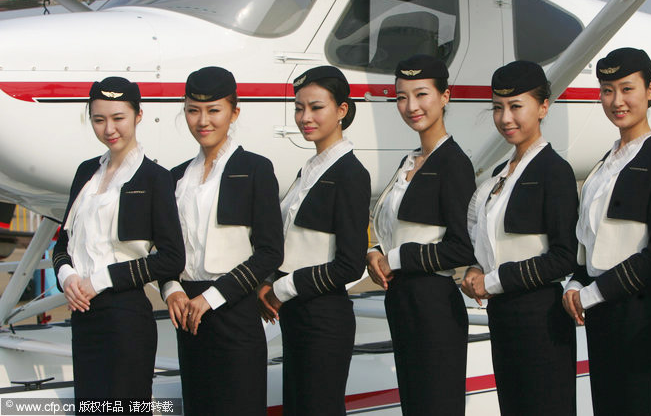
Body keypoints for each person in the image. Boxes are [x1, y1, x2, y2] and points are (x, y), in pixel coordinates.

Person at [561, 48, 651, 415]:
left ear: (650, 91)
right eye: (607, 90)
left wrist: (593, 292)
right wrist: (575, 282)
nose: (617, 101)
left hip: (639, 313)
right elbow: (591, 240)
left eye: (627, 89)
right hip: (600, 312)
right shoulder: (605, 164)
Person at [51, 77, 184, 406]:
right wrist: (67, 277)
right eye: (99, 119)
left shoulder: (154, 177)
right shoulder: (86, 173)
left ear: (138, 115)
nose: (109, 129)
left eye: (118, 118)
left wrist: (100, 280)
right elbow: (63, 243)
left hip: (125, 316)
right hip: (84, 316)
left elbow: (171, 257)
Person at [160, 66, 284, 415]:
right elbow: (165, 248)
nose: (203, 121)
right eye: (193, 110)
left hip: (234, 309)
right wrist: (171, 289)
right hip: (188, 313)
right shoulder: (175, 178)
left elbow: (270, 252)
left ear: (234, 112)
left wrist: (211, 298)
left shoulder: (255, 169)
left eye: (214, 110)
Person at [461, 61, 578, 415]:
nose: (505, 118)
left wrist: (493, 280)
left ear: (543, 107)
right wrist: (475, 268)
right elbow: (490, 240)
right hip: (503, 314)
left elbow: (564, 256)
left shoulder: (554, 171)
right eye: (498, 108)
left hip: (541, 316)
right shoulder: (500, 175)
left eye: (516, 106)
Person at [367, 55, 476, 415]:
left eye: (421, 94)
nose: (411, 106)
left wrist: (396, 259)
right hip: (403, 303)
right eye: (402, 97)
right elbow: (393, 230)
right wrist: (374, 252)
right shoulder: (409, 162)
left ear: (445, 97)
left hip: (434, 306)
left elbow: (463, 246)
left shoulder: (454, 163)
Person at [259, 65, 369, 416]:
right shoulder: (310, 169)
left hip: (324, 317)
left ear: (342, 110)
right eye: (299, 108)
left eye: (316, 107)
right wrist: (268, 282)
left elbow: (350, 264)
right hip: (297, 314)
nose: (305, 117)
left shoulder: (351, 173)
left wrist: (283, 287)